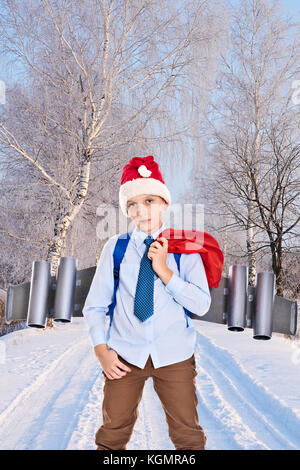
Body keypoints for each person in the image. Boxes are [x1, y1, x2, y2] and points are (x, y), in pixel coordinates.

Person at [82, 155, 211, 450]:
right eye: (133, 204)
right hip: (125, 355)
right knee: (112, 433)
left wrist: (165, 272)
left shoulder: (184, 250)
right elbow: (95, 306)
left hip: (174, 355)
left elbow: (201, 304)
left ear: (165, 203)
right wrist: (101, 350)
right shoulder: (115, 248)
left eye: (150, 200)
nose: (142, 211)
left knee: (188, 435)